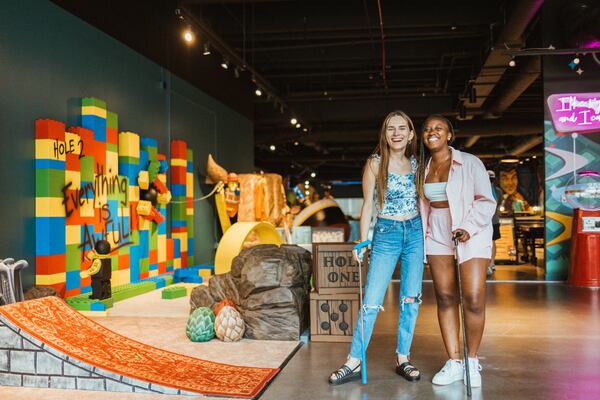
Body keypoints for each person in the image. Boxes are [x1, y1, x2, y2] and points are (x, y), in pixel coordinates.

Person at [328, 110, 425, 385]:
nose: (396, 133)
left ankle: (403, 358)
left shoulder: (417, 164)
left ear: (410, 134)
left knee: (410, 299)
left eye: (402, 128)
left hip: (415, 232)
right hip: (386, 232)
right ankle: (354, 361)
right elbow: (368, 205)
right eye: (390, 129)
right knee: (371, 302)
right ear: (384, 134)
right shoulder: (375, 163)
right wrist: (362, 241)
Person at [416, 115, 495, 388]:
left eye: (438, 128)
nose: (431, 132)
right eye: (427, 129)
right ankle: (454, 361)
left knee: (473, 296)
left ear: (449, 134)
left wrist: (468, 227)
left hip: (471, 230)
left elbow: (486, 201)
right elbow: (422, 205)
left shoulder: (470, 163)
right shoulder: (422, 169)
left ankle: (472, 359)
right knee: (446, 296)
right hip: (437, 231)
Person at [487, 170, 503, 276]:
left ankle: (491, 262)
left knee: (492, 241)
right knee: (490, 242)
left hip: (492, 220)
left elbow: (498, 204)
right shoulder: (498, 191)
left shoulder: (497, 191)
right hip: (488, 220)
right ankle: (489, 263)